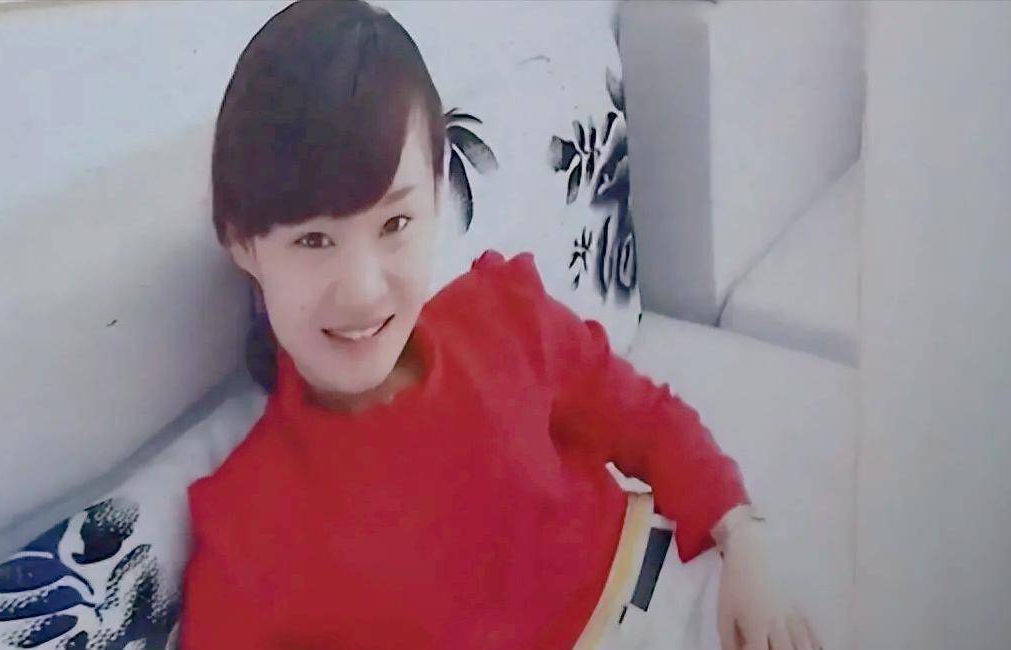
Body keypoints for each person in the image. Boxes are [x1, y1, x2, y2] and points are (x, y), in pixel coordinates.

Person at [181, 1, 819, 648]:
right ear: (242, 244)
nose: (364, 290)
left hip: (687, 594)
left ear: (438, 196)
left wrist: (742, 540)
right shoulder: (245, 535)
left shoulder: (505, 318)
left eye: (396, 223)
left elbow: (647, 420)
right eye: (313, 240)